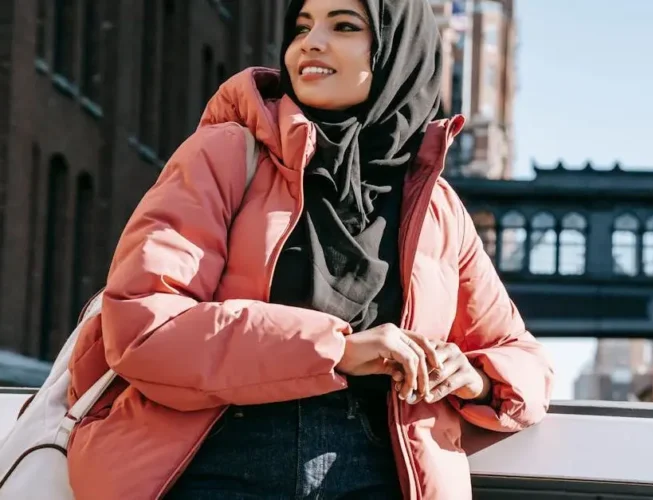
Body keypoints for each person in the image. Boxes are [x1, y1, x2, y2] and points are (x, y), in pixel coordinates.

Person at [65, 0, 554, 498]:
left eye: (343, 25)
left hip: (379, 471)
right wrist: (338, 350)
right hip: (216, 460)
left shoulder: (435, 208)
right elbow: (143, 326)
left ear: (397, 49)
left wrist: (472, 376)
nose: (310, 43)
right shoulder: (226, 154)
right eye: (301, 27)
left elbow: (525, 361)